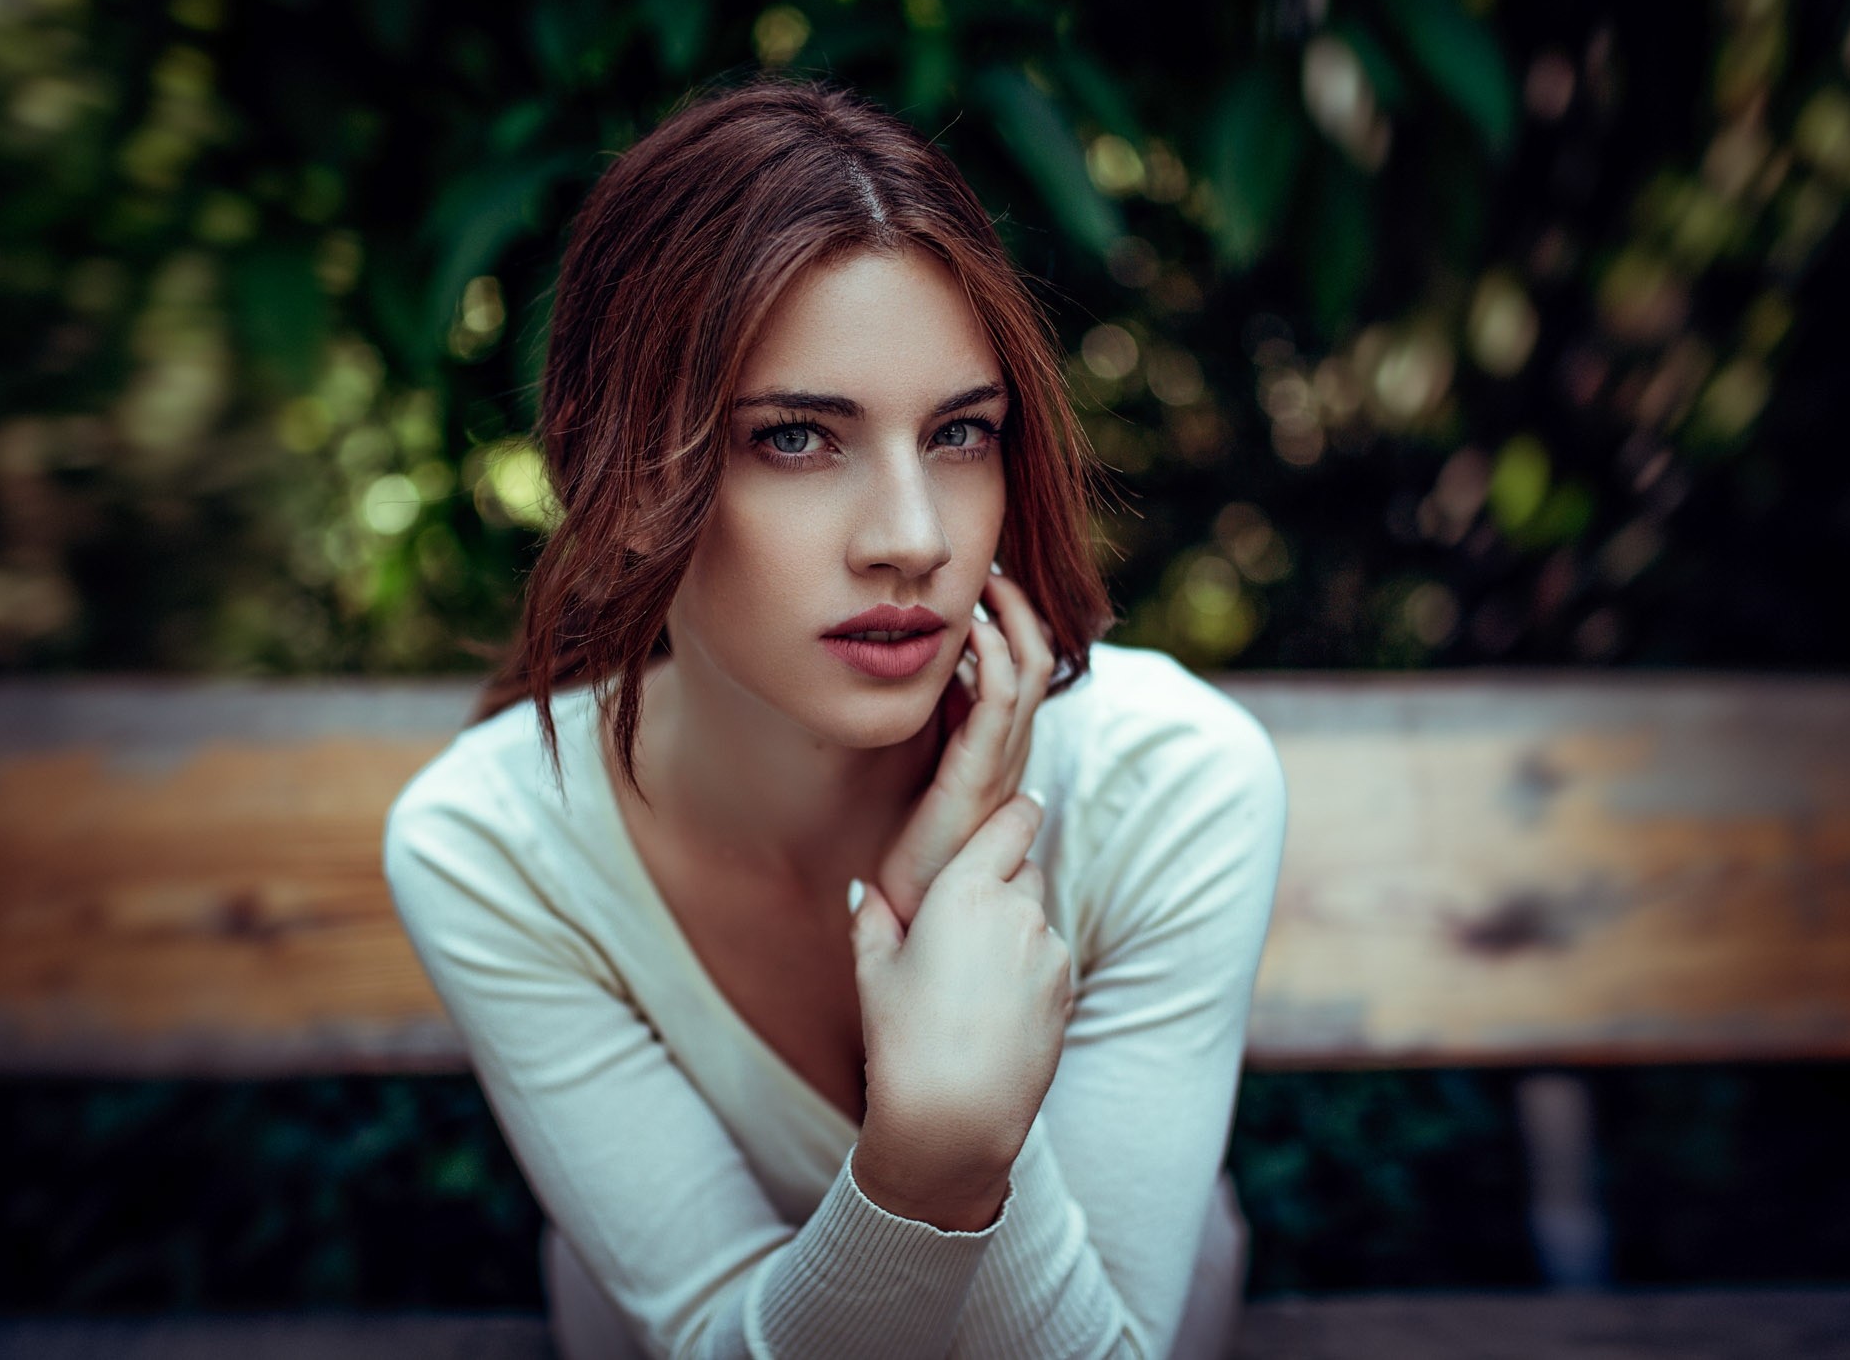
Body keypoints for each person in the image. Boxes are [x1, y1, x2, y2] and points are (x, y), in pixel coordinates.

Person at [382, 77, 1287, 1359]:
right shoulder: (492, 844)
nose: (912, 540)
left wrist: (963, 1030)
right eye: (798, 439)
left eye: (961, 433)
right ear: (615, 468)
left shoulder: (1171, 784)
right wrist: (921, 1161)